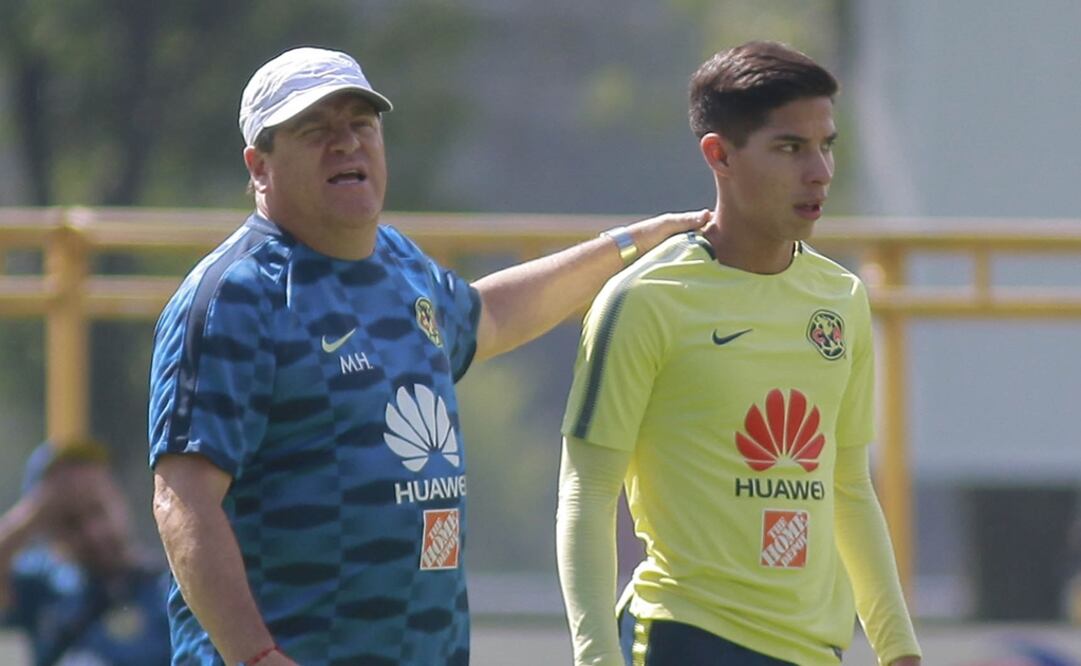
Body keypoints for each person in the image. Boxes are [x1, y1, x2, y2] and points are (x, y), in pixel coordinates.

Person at [147, 46, 706, 666]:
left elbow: (490, 317)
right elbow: (183, 500)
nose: (346, 144)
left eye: (361, 124)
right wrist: (256, 657)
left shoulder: (401, 265)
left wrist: (629, 246)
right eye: (315, 130)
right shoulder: (236, 296)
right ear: (259, 166)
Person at [556, 41, 922, 665]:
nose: (820, 172)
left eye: (826, 145)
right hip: (686, 638)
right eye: (790, 148)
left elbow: (848, 487)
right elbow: (586, 491)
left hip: (815, 651)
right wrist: (596, 659)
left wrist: (898, 651)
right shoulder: (645, 299)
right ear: (719, 155)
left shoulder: (842, 297)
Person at [0, 439, 171, 666]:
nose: (93, 533)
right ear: (47, 531)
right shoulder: (44, 584)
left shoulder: (167, 587)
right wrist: (35, 510)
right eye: (71, 522)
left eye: (97, 510)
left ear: (118, 498)